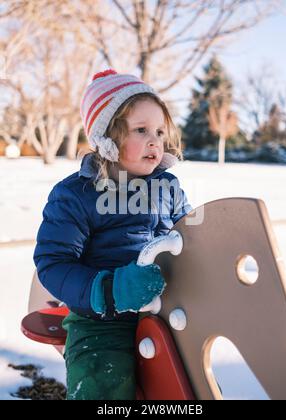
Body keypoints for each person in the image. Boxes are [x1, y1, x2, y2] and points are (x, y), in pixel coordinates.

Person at [33, 69, 192, 400]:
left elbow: (189, 238)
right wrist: (110, 290)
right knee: (102, 384)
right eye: (141, 130)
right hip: (100, 322)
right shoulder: (76, 195)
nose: (155, 141)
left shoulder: (168, 188)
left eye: (160, 131)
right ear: (107, 138)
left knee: (190, 382)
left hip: (165, 312)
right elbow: (53, 262)